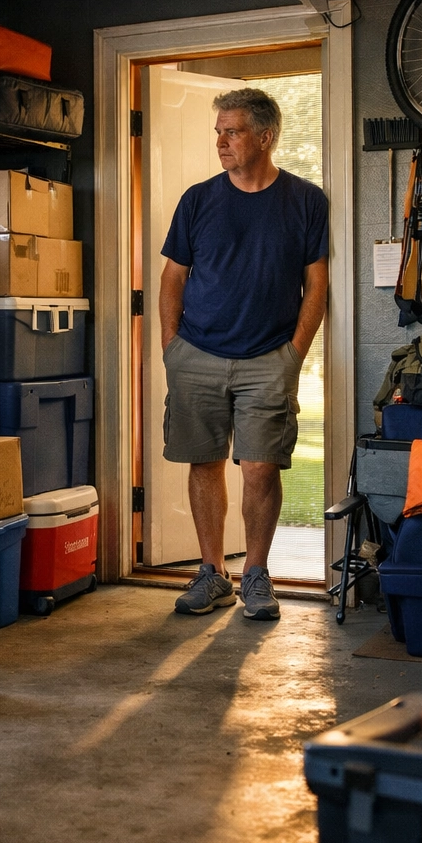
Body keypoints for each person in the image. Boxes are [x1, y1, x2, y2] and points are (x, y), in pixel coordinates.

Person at [159, 87, 330, 620]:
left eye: (231, 132)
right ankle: (213, 573)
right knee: (204, 462)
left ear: (265, 136)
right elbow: (172, 278)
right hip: (197, 354)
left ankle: (256, 574)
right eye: (219, 132)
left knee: (260, 468)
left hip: (268, 358)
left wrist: (294, 354)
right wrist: (171, 347)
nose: (221, 142)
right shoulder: (197, 200)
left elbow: (316, 284)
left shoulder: (306, 200)